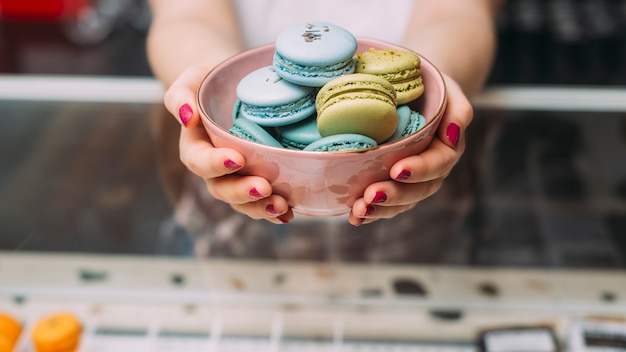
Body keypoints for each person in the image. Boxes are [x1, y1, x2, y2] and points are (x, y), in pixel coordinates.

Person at [146, 0, 503, 259]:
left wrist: (435, 77)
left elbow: (459, 13)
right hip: (241, 175)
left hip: (406, 177)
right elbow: (186, 14)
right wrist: (212, 79)